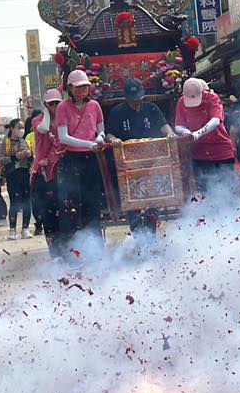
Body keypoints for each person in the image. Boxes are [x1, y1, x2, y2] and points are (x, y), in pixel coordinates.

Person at [106, 78, 173, 237]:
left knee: (153, 198)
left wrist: (170, 133)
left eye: (138, 99)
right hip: (128, 164)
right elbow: (109, 133)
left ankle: (150, 235)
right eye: (132, 100)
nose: (136, 102)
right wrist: (113, 139)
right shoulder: (117, 112)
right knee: (132, 202)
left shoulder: (151, 108)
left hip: (152, 163)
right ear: (126, 97)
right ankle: (138, 237)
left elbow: (164, 126)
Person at [55, 69, 106, 261]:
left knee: (93, 203)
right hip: (71, 160)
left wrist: (99, 139)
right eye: (78, 88)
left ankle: (96, 251)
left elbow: (101, 129)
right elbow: (63, 136)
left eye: (85, 87)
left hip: (91, 159)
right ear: (69, 88)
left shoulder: (94, 106)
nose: (82, 91)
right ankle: (74, 253)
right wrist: (89, 144)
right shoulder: (62, 107)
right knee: (71, 206)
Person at [174, 78, 236, 193]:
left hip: (221, 152)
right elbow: (178, 125)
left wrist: (197, 134)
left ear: (202, 92)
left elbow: (216, 121)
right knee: (204, 193)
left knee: (227, 192)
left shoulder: (212, 98)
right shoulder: (181, 102)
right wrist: (187, 132)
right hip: (199, 154)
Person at [30, 89, 64, 257]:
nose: (55, 106)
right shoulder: (38, 120)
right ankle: (54, 254)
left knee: (63, 212)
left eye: (58, 103)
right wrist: (46, 114)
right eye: (51, 104)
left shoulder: (65, 118)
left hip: (60, 170)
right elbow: (43, 129)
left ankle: (66, 251)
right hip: (43, 174)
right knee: (47, 215)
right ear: (46, 105)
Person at [0, 118, 33, 240]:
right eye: (19, 127)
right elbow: (1, 159)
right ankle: (12, 229)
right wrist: (15, 157)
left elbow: (32, 159)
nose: (21, 130)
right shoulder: (6, 143)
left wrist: (29, 156)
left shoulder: (25, 142)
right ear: (12, 129)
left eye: (23, 127)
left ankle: (26, 228)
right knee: (14, 202)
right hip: (12, 175)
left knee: (27, 202)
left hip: (24, 174)